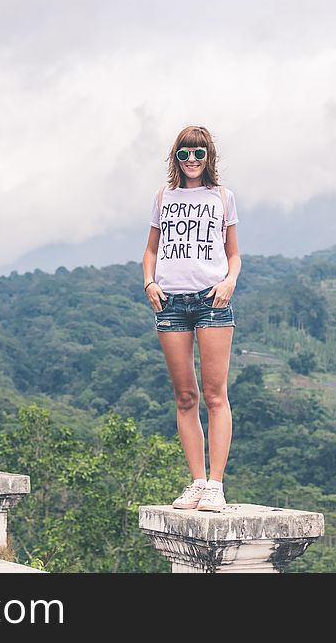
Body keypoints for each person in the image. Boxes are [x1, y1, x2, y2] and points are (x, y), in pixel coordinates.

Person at [141, 125, 241, 512]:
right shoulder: (163, 197)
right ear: (176, 158)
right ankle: (197, 481)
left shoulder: (222, 198)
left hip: (212, 300)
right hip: (170, 303)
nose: (193, 160)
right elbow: (151, 249)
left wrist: (230, 281)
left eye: (199, 153)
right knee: (185, 396)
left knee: (216, 395)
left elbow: (233, 253)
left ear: (209, 157)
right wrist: (149, 282)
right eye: (185, 153)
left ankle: (216, 484)